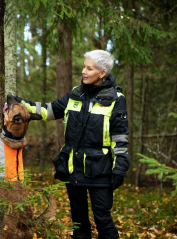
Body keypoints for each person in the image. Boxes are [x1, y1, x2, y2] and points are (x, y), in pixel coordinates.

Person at [14, 50, 129, 239]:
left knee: (103, 219)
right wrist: (21, 104)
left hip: (100, 171)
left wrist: (120, 168)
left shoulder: (116, 99)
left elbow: (120, 137)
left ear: (102, 73)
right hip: (73, 168)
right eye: (84, 66)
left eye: (89, 68)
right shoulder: (76, 94)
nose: (83, 71)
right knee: (78, 221)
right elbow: (49, 110)